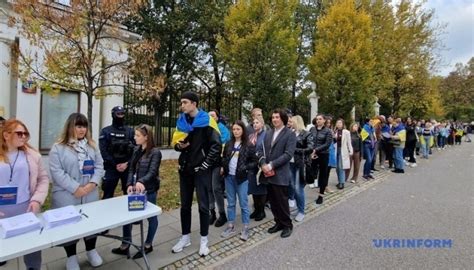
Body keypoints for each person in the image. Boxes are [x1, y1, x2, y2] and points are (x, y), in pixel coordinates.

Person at [49, 113, 104, 270]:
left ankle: (91, 250)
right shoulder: (58, 148)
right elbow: (57, 172)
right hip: (67, 195)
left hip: (90, 193)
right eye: (79, 126)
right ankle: (71, 256)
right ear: (70, 127)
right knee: (69, 227)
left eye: (84, 126)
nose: (82, 130)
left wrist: (92, 183)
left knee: (91, 224)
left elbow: (100, 166)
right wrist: (75, 188)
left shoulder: (92, 146)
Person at [171, 91, 221, 256]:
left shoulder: (207, 121)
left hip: (201, 170)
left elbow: (216, 145)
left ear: (194, 103)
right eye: (182, 102)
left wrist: (205, 165)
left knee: (203, 206)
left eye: (185, 102)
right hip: (185, 169)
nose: (182, 105)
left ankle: (204, 240)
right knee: (185, 206)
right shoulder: (182, 121)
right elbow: (176, 141)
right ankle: (185, 237)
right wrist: (179, 146)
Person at [0, 119, 49, 269]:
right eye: (19, 133)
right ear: (6, 135)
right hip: (2, 211)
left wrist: (37, 200)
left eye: (25, 134)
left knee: (32, 247)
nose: (23, 137)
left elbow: (43, 179)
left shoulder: (33, 156)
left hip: (26, 208)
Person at [111, 124, 162, 259]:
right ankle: (125, 244)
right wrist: (129, 184)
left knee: (152, 218)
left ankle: (148, 244)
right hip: (134, 190)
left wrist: (142, 182)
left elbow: (152, 171)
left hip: (148, 190)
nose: (134, 138)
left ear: (146, 137)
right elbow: (132, 169)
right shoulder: (137, 150)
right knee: (128, 216)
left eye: (137, 135)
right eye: (135, 135)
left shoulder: (155, 152)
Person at [257, 109, 296, 238]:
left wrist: (271, 165)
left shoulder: (289, 134)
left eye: (277, 117)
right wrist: (262, 163)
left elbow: (288, 154)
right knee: (273, 202)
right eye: (273, 117)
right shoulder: (268, 133)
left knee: (282, 202)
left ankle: (287, 225)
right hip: (268, 174)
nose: (274, 119)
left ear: (283, 118)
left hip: (280, 174)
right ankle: (278, 222)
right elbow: (261, 150)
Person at [220, 120, 256, 241]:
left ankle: (246, 227)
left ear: (243, 130)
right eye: (234, 129)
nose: (235, 131)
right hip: (229, 177)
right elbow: (224, 157)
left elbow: (254, 162)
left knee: (244, 204)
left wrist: (245, 168)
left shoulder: (248, 145)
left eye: (238, 129)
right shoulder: (229, 143)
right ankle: (231, 225)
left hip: (241, 178)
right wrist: (223, 167)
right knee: (230, 203)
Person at [99, 106, 135, 199]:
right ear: (113, 115)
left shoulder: (130, 131)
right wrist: (115, 165)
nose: (120, 116)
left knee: (129, 195)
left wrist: (126, 164)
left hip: (127, 168)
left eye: (122, 114)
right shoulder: (105, 131)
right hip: (111, 168)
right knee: (107, 195)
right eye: (118, 114)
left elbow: (136, 150)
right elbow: (103, 151)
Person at [289, 115, 313, 222]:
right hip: (290, 164)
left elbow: (310, 148)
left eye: (292, 121)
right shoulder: (291, 133)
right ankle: (298, 208)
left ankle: (301, 211)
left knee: (299, 189)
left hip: (301, 164)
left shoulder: (306, 134)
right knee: (293, 187)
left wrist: (295, 150)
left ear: (297, 122)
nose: (290, 123)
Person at [207, 110, 228, 227]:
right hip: (207, 163)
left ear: (217, 117)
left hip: (217, 163)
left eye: (213, 115)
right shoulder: (205, 127)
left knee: (216, 188)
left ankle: (222, 214)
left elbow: (224, 144)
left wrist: (223, 165)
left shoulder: (222, 128)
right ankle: (212, 213)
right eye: (209, 115)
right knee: (209, 188)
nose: (210, 117)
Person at [248, 116, 267, 221]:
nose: (255, 124)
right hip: (252, 165)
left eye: (257, 122)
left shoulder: (265, 135)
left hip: (260, 165)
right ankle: (256, 209)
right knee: (253, 188)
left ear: (262, 124)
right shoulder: (251, 136)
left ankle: (262, 211)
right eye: (253, 123)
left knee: (261, 189)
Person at [310, 114, 332, 204]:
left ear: (324, 121)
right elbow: (309, 140)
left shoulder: (328, 131)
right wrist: (310, 150)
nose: (318, 120)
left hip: (323, 154)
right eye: (317, 119)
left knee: (323, 175)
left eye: (320, 119)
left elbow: (327, 144)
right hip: (312, 154)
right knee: (310, 173)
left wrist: (316, 150)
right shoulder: (312, 129)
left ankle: (320, 195)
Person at [333, 119, 353, 189]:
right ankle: (339, 181)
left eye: (340, 123)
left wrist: (351, 151)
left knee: (341, 167)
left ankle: (342, 183)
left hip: (343, 151)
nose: (338, 124)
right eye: (337, 122)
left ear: (343, 124)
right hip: (336, 151)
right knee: (337, 168)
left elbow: (349, 142)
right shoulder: (335, 131)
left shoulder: (346, 132)